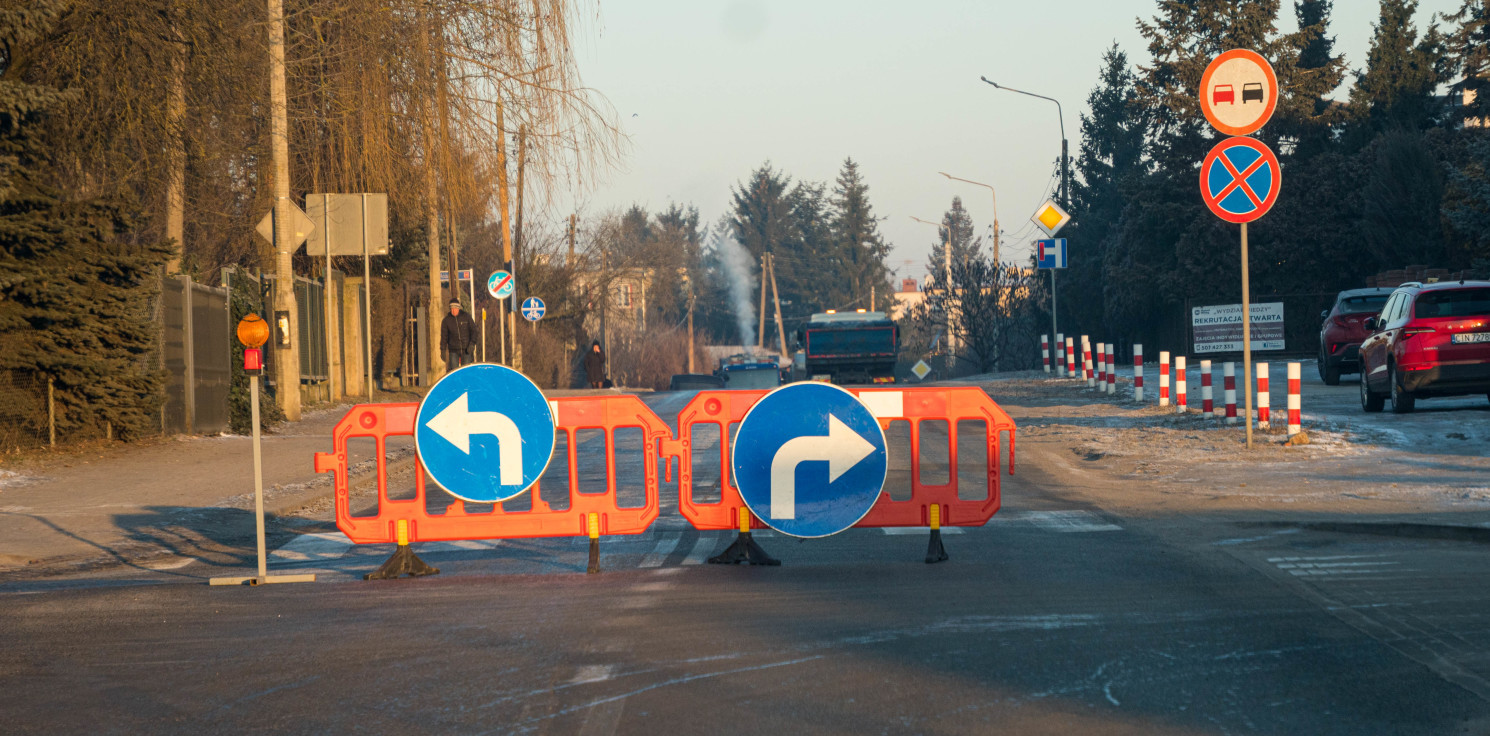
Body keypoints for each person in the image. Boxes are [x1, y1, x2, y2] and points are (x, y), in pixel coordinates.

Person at [440, 299, 477, 369]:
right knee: (454, 371)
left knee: (465, 370)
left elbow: (474, 331)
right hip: (453, 350)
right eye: (452, 308)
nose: (453, 310)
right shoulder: (446, 321)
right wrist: (443, 350)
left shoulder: (466, 317)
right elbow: (444, 337)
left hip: (466, 349)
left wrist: (472, 344)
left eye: (455, 308)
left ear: (458, 308)